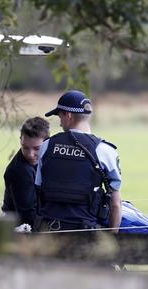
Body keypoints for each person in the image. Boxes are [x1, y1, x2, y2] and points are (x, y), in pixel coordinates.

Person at [35, 89, 122, 232]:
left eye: (59, 116)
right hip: (85, 234)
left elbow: (38, 189)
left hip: (48, 232)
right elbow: (116, 205)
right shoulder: (105, 151)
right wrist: (112, 238)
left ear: (68, 115)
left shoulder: (46, 146)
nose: (60, 123)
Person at [1, 117, 49, 226]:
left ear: (47, 143)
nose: (30, 154)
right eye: (25, 147)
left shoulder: (49, 159)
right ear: (20, 141)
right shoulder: (19, 172)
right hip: (21, 230)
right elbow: (28, 217)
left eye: (37, 148)